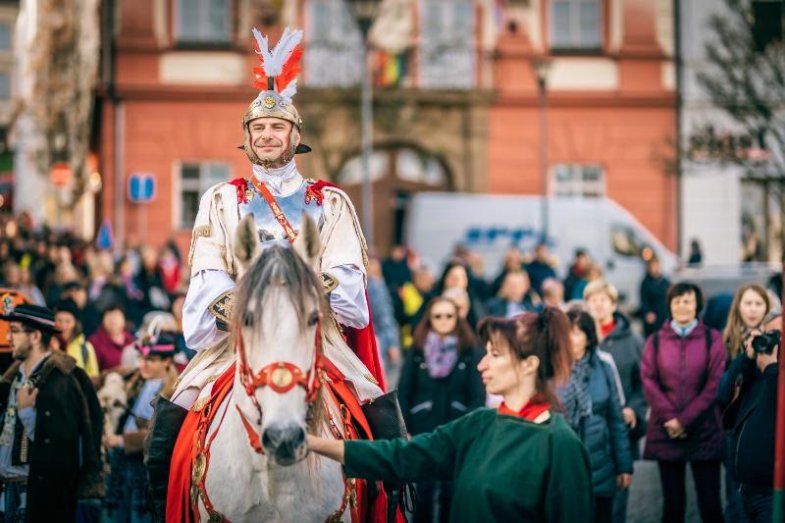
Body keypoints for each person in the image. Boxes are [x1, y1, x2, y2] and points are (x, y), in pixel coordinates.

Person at [148, 26, 388, 519]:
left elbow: (346, 281)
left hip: (314, 335)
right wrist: (249, 306)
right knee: (174, 411)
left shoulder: (330, 202)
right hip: (239, 335)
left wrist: (298, 296)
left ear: (295, 138)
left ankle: (392, 498)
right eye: (258, 129)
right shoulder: (220, 199)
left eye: (277, 128)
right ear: (247, 139)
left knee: (379, 409)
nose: (267, 136)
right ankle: (166, 500)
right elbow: (208, 273)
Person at [307, 308, 593, 521]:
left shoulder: (560, 445)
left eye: (495, 354)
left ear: (529, 364)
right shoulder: (480, 425)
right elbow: (403, 456)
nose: (482, 365)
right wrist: (314, 443)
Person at [0, 304, 103, 521]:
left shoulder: (61, 381)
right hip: (6, 491)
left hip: (36, 494)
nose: (9, 337)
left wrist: (27, 413)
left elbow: (63, 448)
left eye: (15, 330)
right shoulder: (13, 378)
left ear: (36, 336)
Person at [640, 282, 725, 523]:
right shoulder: (655, 341)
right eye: (676, 301)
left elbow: (714, 384)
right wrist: (671, 419)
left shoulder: (712, 338)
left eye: (687, 300)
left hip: (705, 431)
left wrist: (685, 420)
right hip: (666, 432)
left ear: (697, 304)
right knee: (673, 506)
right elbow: (649, 381)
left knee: (710, 505)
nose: (682, 306)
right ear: (669, 306)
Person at [397, 297, 484, 522]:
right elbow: (405, 391)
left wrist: (469, 429)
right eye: (438, 316)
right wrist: (405, 427)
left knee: (451, 491)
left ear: (457, 318)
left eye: (449, 315)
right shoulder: (417, 350)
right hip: (423, 427)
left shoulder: (470, 350)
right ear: (429, 319)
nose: (444, 320)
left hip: (457, 427)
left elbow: (477, 394)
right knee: (423, 493)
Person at [560, 309, 633, 523]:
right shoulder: (552, 370)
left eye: (576, 333)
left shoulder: (603, 367)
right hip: (565, 470)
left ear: (588, 336)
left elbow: (616, 420)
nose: (569, 339)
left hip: (600, 465)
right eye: (565, 332)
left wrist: (623, 466)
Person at [584, 280, 647, 523]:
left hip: (620, 429)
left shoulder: (633, 340)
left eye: (603, 300)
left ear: (613, 304)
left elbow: (643, 383)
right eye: (592, 300)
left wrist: (634, 408)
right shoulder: (578, 338)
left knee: (617, 503)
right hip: (589, 431)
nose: (597, 305)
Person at [104, 333, 179, 523]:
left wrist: (121, 440)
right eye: (141, 358)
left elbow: (162, 435)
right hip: (120, 463)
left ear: (167, 361)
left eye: (151, 360)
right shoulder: (134, 379)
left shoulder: (174, 392)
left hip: (146, 469)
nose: (143, 364)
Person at [716, 311, 780, 523]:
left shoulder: (772, 374)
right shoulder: (756, 371)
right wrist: (746, 358)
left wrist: (772, 368)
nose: (774, 341)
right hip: (741, 489)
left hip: (772, 495)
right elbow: (723, 395)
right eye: (770, 334)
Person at [53, 299, 101, 382]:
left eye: (68, 321)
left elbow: (94, 378)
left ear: (75, 323)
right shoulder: (47, 344)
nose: (63, 326)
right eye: (59, 320)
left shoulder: (85, 347)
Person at [89, 305, 135, 372]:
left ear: (125, 320)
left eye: (116, 317)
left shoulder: (132, 340)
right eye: (109, 316)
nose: (113, 320)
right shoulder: (94, 342)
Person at [639, 257, 670, 337]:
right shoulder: (646, 283)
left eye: (658, 266)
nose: (657, 269)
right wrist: (647, 312)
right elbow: (644, 300)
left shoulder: (665, 282)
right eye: (654, 266)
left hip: (664, 315)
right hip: (652, 317)